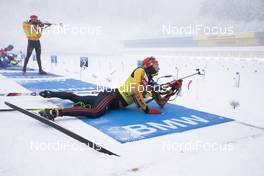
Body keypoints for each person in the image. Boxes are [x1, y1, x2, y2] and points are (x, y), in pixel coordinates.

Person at [38, 57, 182, 120]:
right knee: (96, 111)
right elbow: (135, 91)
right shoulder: (140, 71)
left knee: (78, 98)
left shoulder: (150, 83)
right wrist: (146, 109)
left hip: (111, 101)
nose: (157, 68)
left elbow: (161, 102)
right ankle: (55, 112)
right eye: (156, 65)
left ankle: (50, 93)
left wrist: (171, 91)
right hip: (113, 96)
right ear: (148, 65)